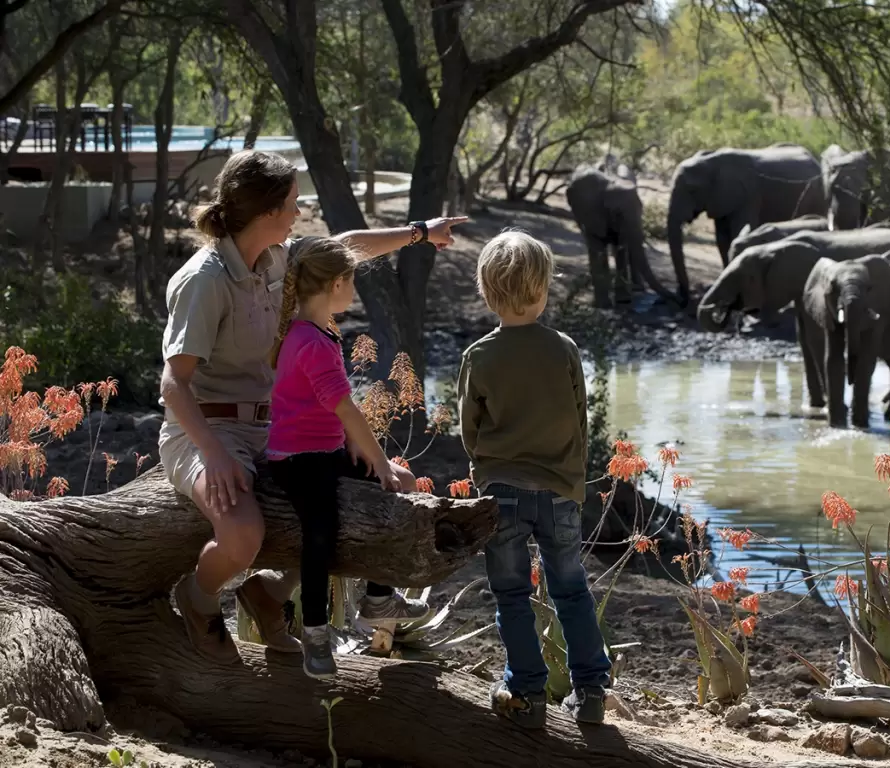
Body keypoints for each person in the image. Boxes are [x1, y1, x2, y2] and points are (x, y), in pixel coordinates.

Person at [159, 148, 466, 665]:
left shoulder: (278, 257)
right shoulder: (205, 279)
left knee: (347, 508)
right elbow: (173, 384)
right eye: (294, 203)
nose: (299, 213)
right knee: (243, 534)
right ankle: (198, 597)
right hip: (206, 430)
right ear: (268, 211)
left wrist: (420, 231)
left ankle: (268, 594)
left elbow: (344, 248)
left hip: (274, 431)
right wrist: (213, 454)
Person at [456, 229, 611, 728]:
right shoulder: (563, 349)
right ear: (543, 289)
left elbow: (469, 431)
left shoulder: (478, 357)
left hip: (501, 493)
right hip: (560, 491)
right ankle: (590, 690)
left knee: (511, 594)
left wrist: (485, 469)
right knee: (571, 588)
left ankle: (526, 690)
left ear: (486, 291)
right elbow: (579, 418)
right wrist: (573, 479)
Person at [265, 236, 418, 679]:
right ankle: (314, 632)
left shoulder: (318, 331)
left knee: (396, 488)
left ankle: (376, 596)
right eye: (352, 282)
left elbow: (327, 409)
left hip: (326, 450)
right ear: (335, 284)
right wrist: (380, 462)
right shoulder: (311, 341)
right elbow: (346, 408)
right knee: (322, 531)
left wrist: (360, 450)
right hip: (297, 460)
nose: (355, 292)